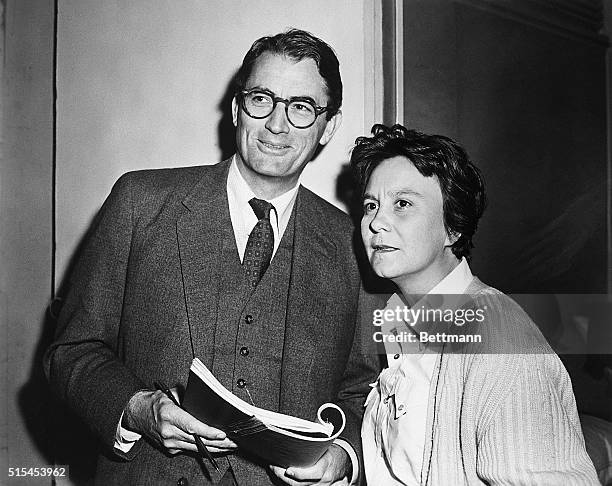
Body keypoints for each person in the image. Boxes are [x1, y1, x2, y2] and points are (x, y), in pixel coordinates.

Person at [44, 29, 378, 486]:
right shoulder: (141, 203)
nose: (277, 124)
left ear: (329, 127)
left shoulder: (350, 244)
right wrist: (138, 408)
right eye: (262, 99)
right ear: (239, 108)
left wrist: (341, 456)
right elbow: (71, 351)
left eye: (301, 107)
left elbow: (363, 389)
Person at [351, 124, 599, 485]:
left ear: (453, 228)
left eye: (402, 204)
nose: (376, 222)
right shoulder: (400, 318)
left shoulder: (499, 342)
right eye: (371, 205)